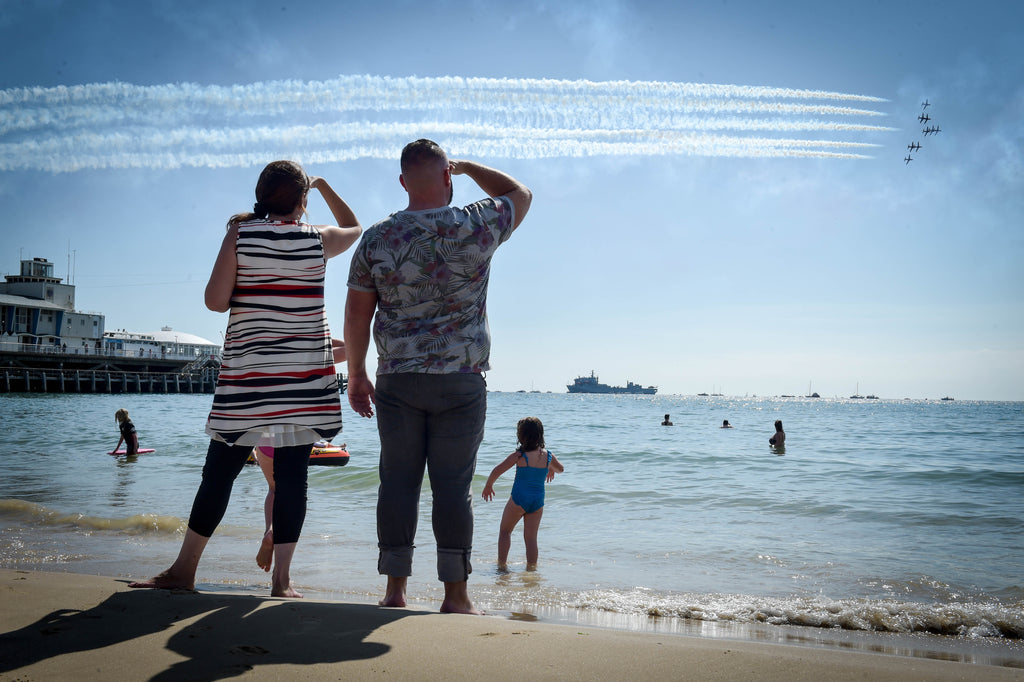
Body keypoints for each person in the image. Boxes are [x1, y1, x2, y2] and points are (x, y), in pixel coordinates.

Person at [130, 160, 361, 598]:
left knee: (218, 474)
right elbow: (354, 227)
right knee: (294, 478)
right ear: (302, 201)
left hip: (248, 377)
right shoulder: (318, 240)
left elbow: (215, 302)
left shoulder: (241, 233)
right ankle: (282, 583)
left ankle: (184, 571)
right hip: (303, 380)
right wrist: (326, 185)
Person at [344, 139, 531, 614]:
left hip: (398, 380)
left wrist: (356, 374)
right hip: (460, 379)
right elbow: (520, 193)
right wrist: (467, 167)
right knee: (453, 488)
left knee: (398, 483)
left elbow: (356, 313)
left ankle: (395, 592)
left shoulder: (378, 238)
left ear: (403, 182)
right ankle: (456, 597)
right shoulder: (475, 222)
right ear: (447, 176)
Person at [482, 417, 564, 571]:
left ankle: (501, 566)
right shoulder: (548, 456)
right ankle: (531, 570)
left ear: (521, 436)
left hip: (519, 499)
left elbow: (498, 469)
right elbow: (561, 469)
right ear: (540, 434)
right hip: (537, 501)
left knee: (505, 531)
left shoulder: (519, 455)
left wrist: (488, 486)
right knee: (531, 538)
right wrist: (551, 468)